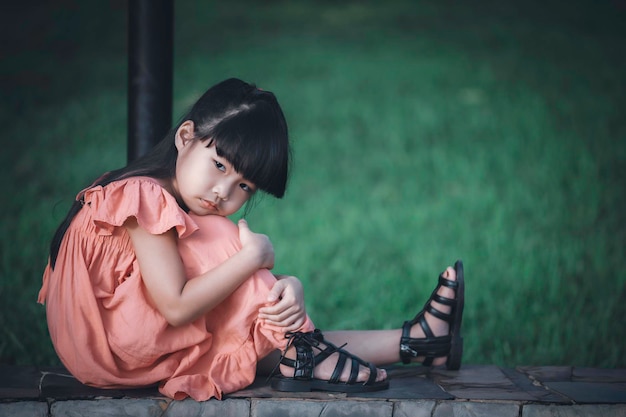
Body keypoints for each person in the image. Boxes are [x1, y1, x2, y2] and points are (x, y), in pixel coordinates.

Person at [38, 78, 465, 401]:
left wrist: (287, 286)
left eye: (245, 187)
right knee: (227, 238)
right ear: (186, 138)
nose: (224, 192)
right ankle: (307, 350)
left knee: (268, 339)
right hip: (109, 347)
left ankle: (420, 342)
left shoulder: (157, 197)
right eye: (220, 165)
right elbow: (174, 304)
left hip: (113, 341)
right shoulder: (143, 195)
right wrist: (254, 257)